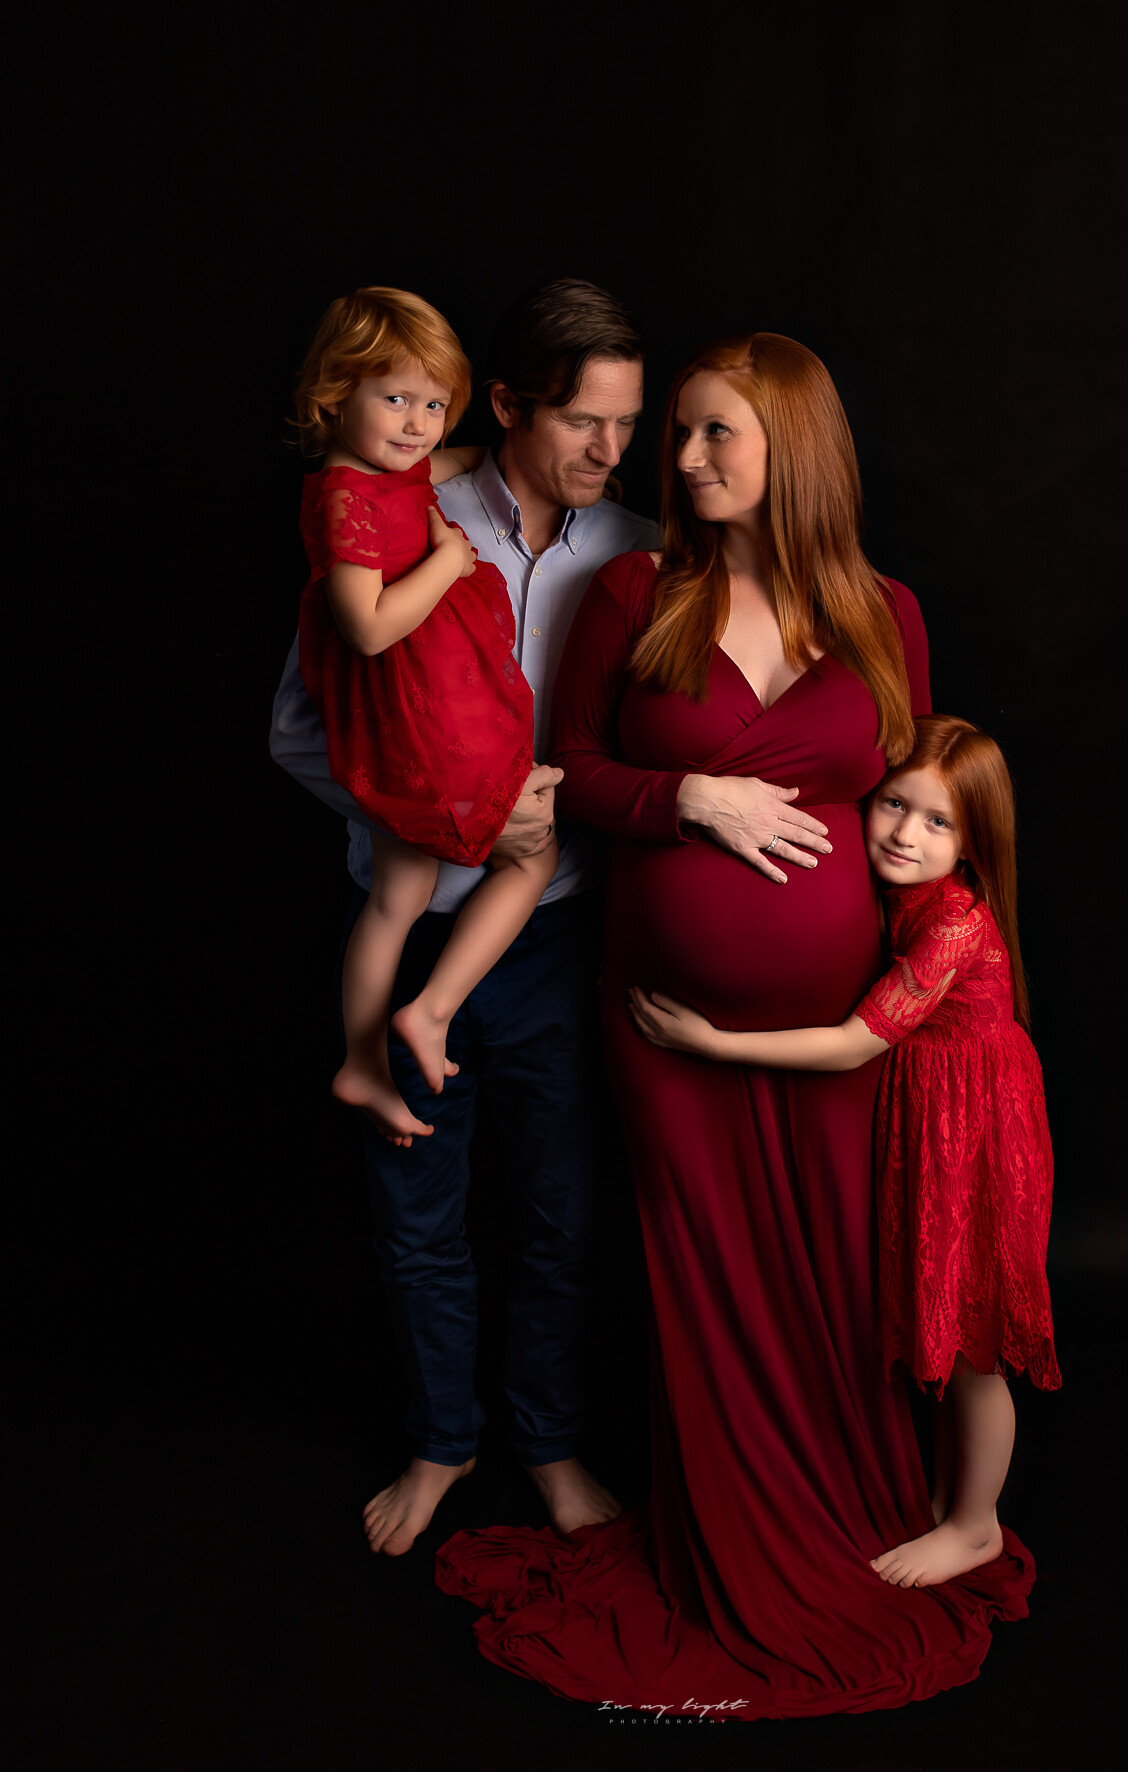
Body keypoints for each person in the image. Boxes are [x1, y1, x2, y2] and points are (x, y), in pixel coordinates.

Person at [436, 335, 1037, 1719]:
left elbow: (916, 798)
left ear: (795, 449)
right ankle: (737, 1556)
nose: (685, 456)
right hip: (670, 1025)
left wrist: (949, 985)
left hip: (844, 1029)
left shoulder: (885, 613)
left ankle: (862, 1518)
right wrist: (689, 798)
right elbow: (573, 770)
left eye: (719, 432)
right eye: (684, 431)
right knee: (709, 1286)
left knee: (839, 1278)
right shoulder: (634, 591)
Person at [269, 280, 658, 1553]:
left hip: (554, 938)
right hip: (411, 916)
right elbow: (298, 729)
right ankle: (443, 1440)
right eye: (583, 421)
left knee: (558, 1214)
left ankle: (548, 1442)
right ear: (507, 406)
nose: (609, 448)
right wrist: (457, 819)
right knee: (417, 1217)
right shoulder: (404, 505)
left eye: (627, 423)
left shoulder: (640, 551)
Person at [630, 714, 1060, 1592]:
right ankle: (950, 1497)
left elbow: (855, 1043)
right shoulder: (901, 896)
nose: (905, 834)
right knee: (939, 1320)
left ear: (974, 843)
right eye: (894, 804)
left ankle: (975, 1525)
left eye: (937, 822)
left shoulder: (954, 924)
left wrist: (713, 1042)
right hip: (936, 1120)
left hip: (977, 1135)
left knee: (972, 1346)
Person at [292, 287, 557, 1146]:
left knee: (398, 894)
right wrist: (449, 560)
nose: (418, 426)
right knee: (534, 850)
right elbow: (367, 628)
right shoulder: (343, 497)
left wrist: (524, 456)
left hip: (425, 707)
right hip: (414, 716)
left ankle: (365, 1060)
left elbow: (445, 463)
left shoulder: (386, 468)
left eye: (435, 405)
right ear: (335, 396)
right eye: (396, 399)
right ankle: (430, 1010)